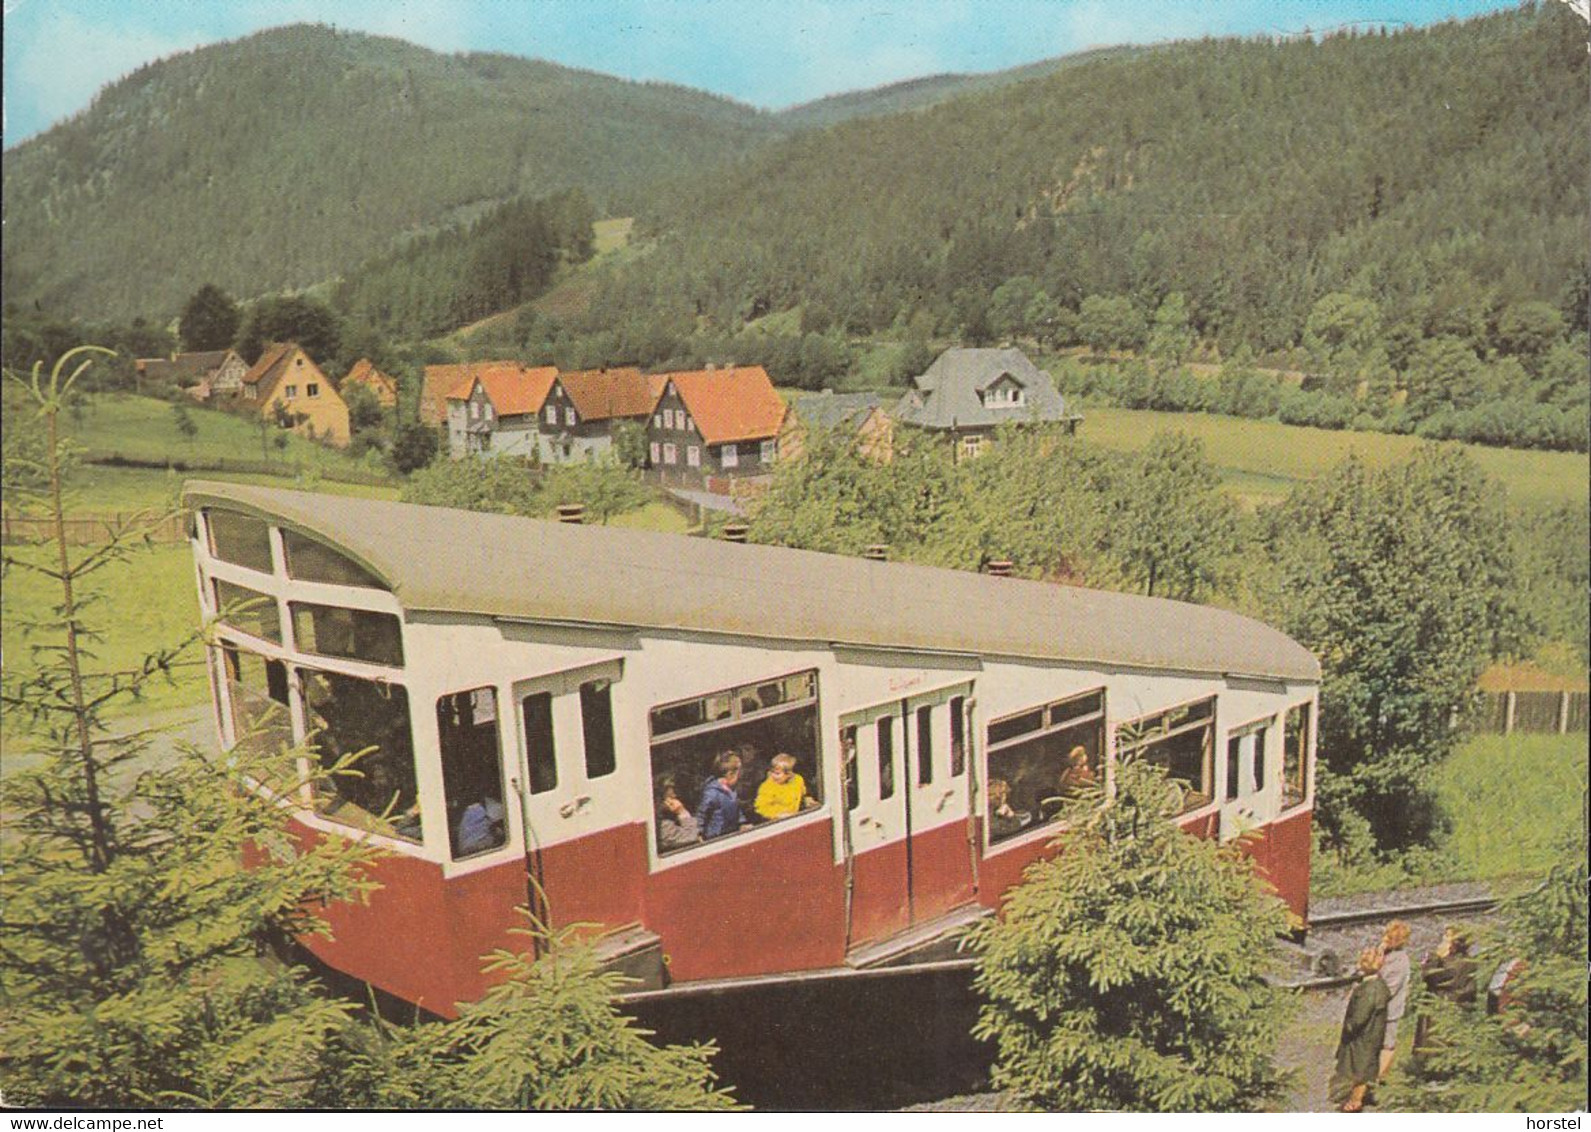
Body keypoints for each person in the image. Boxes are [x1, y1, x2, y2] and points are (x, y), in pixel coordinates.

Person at [1330, 947, 1390, 1112]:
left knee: (1360, 1069)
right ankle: (1356, 1097)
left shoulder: (1369, 990)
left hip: (1364, 1038)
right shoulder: (1377, 985)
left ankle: (1356, 1101)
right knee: (1363, 1067)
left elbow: (1359, 1018)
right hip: (1371, 1036)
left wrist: (1348, 1028)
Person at [1414, 927, 1478, 1056]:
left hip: (1442, 1008)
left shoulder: (1453, 964)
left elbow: (1430, 976)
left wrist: (1434, 958)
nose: (1442, 941)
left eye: (1446, 938)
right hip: (1455, 1008)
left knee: (1435, 1046)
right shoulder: (1468, 961)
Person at [1378, 920, 1413, 1080]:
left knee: (1387, 1044)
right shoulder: (1386, 954)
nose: (1383, 940)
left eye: (1387, 938)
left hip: (1390, 1010)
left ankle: (1380, 1078)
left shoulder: (1399, 961)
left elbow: (1389, 989)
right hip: (1379, 1008)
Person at [754, 753, 817, 820]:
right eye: (772, 772)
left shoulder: (798, 780)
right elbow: (760, 808)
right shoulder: (767, 787)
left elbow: (803, 795)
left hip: (795, 817)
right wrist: (778, 815)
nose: (773, 776)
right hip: (776, 821)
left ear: (789, 774)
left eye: (777, 773)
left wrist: (807, 801)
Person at [695, 752, 744, 839]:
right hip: (716, 835)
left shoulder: (732, 790)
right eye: (738, 774)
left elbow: (737, 808)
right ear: (730, 775)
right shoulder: (712, 793)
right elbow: (701, 814)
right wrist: (699, 833)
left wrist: (742, 822)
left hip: (731, 832)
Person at [656, 779, 701, 852]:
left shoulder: (667, 817)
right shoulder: (663, 825)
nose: (675, 796)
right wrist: (682, 812)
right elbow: (692, 836)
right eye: (671, 797)